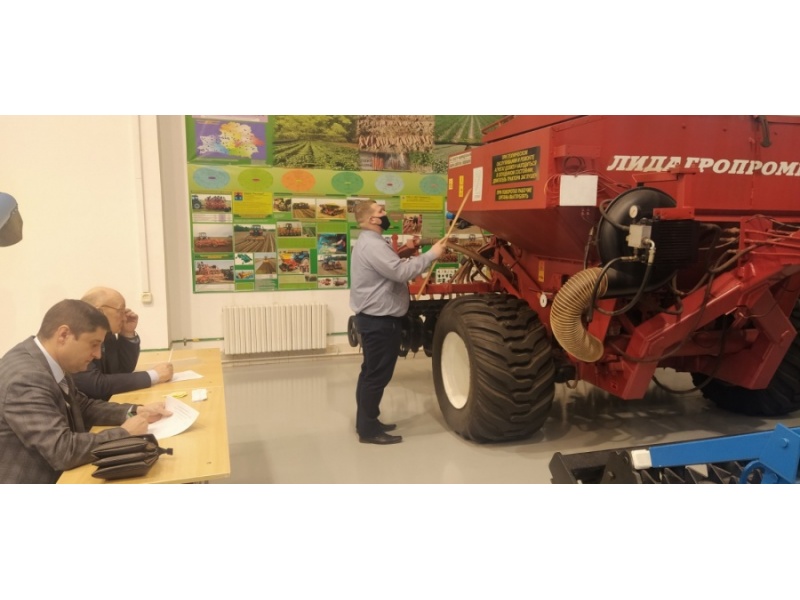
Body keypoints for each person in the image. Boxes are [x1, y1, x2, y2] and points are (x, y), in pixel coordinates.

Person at [0, 299, 172, 484]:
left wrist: (135, 411)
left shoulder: (47, 360)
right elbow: (62, 451)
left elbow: (83, 406)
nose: (98, 355)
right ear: (63, 335)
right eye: (93, 344)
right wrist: (124, 433)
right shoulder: (26, 378)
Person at [349, 200, 445, 444]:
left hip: (375, 319)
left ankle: (367, 422)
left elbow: (388, 266)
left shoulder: (370, 242)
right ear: (372, 220)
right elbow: (400, 273)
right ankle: (368, 431)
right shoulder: (372, 245)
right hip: (379, 321)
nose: (385, 214)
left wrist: (406, 252)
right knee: (376, 376)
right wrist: (432, 254)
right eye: (380, 211)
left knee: (370, 373)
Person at [72, 287, 173, 401]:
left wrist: (127, 333)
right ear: (100, 312)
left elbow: (123, 369)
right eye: (120, 311)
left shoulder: (108, 336)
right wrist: (153, 375)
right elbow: (97, 384)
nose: (125, 318)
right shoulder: (76, 338)